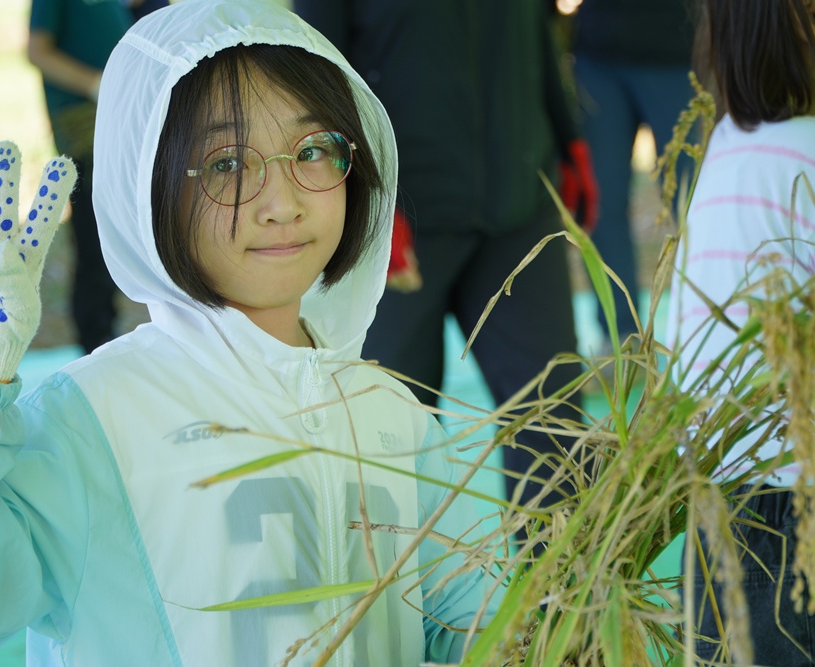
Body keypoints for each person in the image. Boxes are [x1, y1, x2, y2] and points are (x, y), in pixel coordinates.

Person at [0, 1, 500, 664]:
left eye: (312, 150)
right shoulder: (91, 420)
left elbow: (475, 624)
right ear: (147, 187)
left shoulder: (393, 417)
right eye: (226, 165)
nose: (283, 202)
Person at [293, 1, 597, 514]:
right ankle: (394, 593)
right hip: (400, 216)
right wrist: (364, 195)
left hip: (518, 204)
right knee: (387, 436)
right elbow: (317, 68)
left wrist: (569, 138)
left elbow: (531, 27)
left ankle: (561, 591)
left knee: (553, 421)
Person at [667, 0, 815, 661]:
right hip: (796, 509)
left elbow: (678, 341)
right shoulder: (808, 154)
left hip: (718, 496)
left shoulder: (727, 145)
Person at [571, 0, 696, 350]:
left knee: (692, 202)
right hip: (599, 54)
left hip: (677, 51)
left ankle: (709, 327)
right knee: (601, 202)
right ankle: (621, 340)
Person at [27, 0, 130, 353]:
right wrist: (95, 84)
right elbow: (37, 50)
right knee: (94, 240)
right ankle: (95, 340)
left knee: (118, 235)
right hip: (85, 131)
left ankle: (107, 330)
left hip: (115, 124)